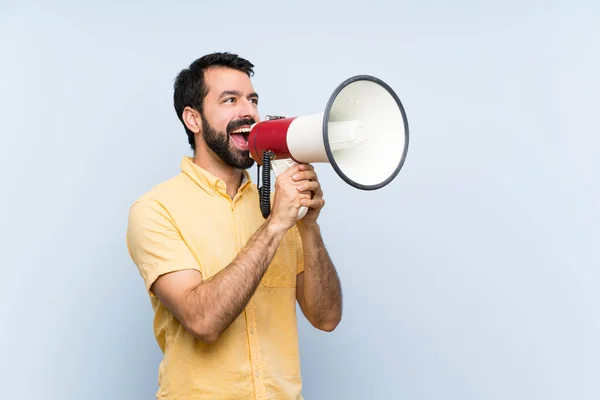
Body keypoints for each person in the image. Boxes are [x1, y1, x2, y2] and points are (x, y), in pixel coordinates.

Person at [126, 52, 343, 400]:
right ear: (193, 119)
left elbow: (326, 317)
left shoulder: (277, 206)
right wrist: (275, 227)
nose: (249, 112)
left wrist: (309, 227)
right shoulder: (155, 210)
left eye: (252, 100)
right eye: (230, 99)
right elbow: (203, 321)